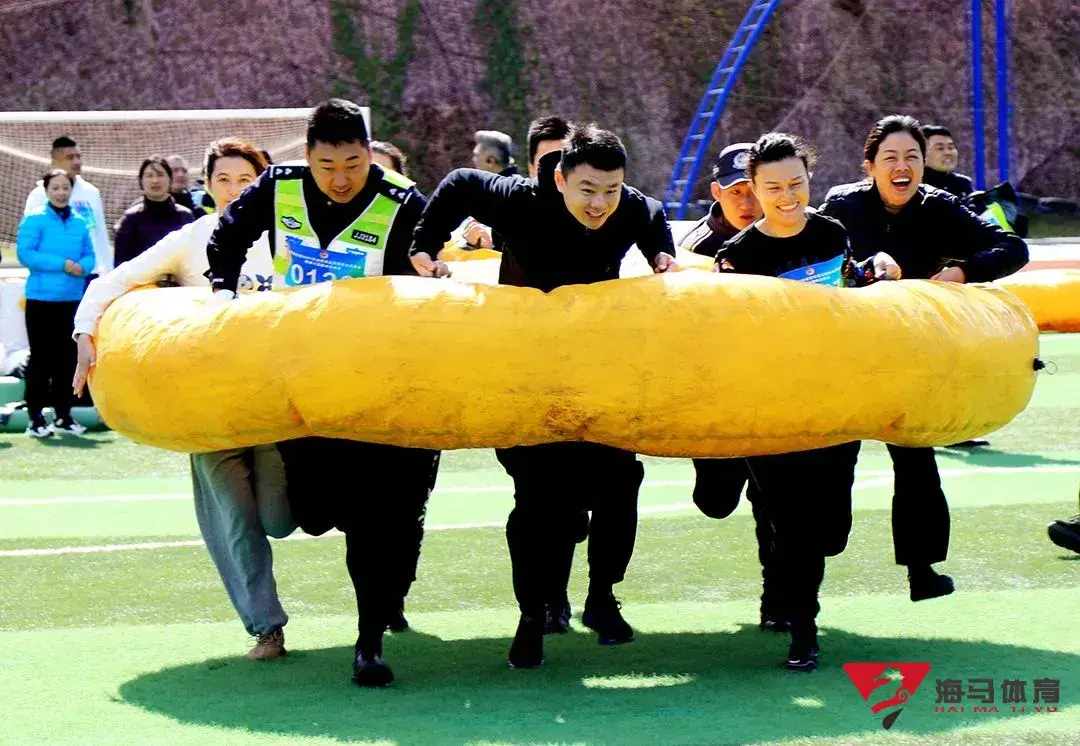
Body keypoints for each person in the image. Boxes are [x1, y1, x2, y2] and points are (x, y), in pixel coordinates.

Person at [410, 122, 678, 670]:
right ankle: (534, 613)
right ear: (560, 179)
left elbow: (651, 214)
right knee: (540, 499)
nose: (599, 203)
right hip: (524, 376)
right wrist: (422, 244)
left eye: (610, 190)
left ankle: (602, 597)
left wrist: (661, 254)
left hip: (597, 373)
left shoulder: (628, 206)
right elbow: (460, 183)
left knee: (619, 483)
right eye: (587, 190)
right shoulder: (521, 200)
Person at [205, 98, 440, 688]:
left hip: (376, 392)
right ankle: (379, 589)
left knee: (373, 520)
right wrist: (222, 292)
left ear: (369, 155)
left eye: (354, 164)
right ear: (307, 156)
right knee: (310, 512)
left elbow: (435, 265)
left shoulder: (402, 201)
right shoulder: (278, 186)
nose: (340, 179)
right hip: (303, 389)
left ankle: (369, 643)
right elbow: (226, 238)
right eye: (327, 165)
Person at [71, 139, 295, 660]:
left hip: (277, 405)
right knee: (235, 522)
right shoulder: (194, 236)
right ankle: (266, 628)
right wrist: (84, 332)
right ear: (207, 185)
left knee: (279, 517)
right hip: (208, 408)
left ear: (264, 182)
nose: (234, 190)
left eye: (245, 180)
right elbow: (114, 281)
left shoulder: (291, 234)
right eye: (223, 180)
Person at [819, 114, 1028, 603]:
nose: (902, 166)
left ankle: (922, 570)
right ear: (869, 166)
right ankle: (824, 542)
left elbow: (1012, 247)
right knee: (834, 460)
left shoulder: (940, 207)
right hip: (849, 354)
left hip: (913, 356)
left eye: (912, 157)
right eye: (890, 157)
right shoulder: (841, 206)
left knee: (917, 462)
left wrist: (962, 271)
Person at [715, 133, 901, 671]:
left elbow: (849, 290)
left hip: (835, 402)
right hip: (770, 411)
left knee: (830, 531)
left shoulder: (830, 232)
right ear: (755, 189)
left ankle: (788, 595)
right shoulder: (739, 256)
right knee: (791, 523)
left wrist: (875, 272)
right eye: (773, 187)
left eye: (796, 183)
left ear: (809, 180)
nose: (787, 196)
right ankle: (803, 629)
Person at [16, 169, 96, 437]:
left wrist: (83, 267)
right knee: (40, 360)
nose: (61, 193)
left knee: (67, 360)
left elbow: (90, 255)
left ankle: (64, 415)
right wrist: (62, 264)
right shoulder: (34, 219)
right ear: (47, 191)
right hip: (41, 301)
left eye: (65, 188)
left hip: (71, 301)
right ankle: (35, 418)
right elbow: (25, 254)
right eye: (55, 188)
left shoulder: (80, 223)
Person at [24, 136, 112, 276]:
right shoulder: (39, 195)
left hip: (89, 274)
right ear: (55, 162)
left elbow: (100, 234)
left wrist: (108, 271)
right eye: (70, 157)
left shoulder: (91, 192)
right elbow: (30, 239)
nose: (77, 161)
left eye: (79, 156)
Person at [679, 142, 763, 256]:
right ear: (717, 192)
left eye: (754, 191)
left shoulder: (786, 232)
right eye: (735, 192)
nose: (746, 205)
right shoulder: (695, 248)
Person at [113, 156, 196, 266]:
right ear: (141, 181)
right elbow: (120, 266)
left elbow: (194, 257)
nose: (155, 180)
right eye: (149, 175)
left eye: (160, 175)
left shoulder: (186, 216)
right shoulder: (130, 219)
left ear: (170, 179)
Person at [921, 125, 974, 198]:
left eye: (951, 147)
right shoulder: (914, 186)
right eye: (940, 148)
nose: (948, 152)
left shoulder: (962, 183)